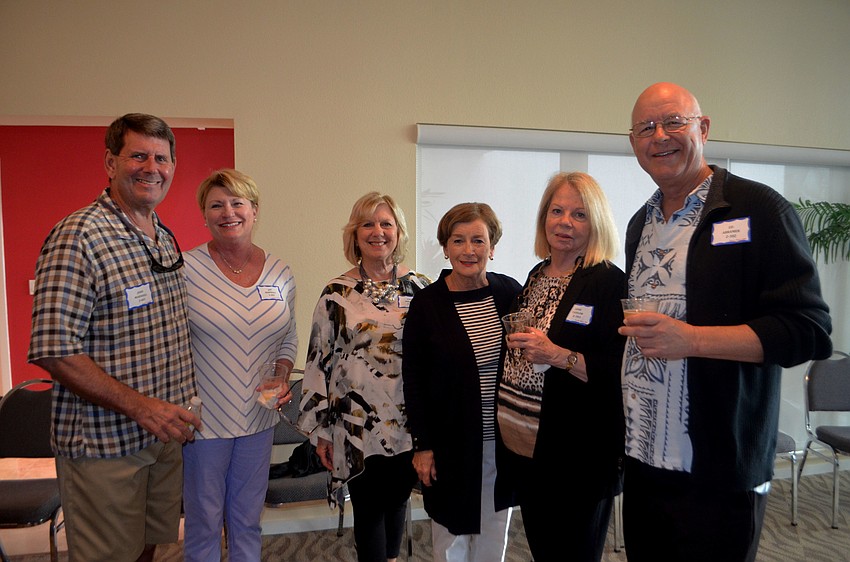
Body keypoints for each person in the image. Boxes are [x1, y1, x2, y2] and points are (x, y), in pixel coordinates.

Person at [620, 82, 833, 562]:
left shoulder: (758, 210)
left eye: (674, 121)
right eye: (645, 128)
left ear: (704, 128)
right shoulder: (641, 223)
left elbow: (808, 330)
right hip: (645, 457)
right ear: (633, 143)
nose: (660, 136)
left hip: (718, 469)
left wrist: (691, 339)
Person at [27, 113, 199, 562]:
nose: (151, 167)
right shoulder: (79, 235)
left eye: (161, 158)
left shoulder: (162, 237)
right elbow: (54, 349)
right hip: (106, 445)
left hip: (162, 437)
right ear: (110, 162)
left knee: (148, 548)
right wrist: (142, 407)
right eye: (138, 155)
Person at [497, 172, 626, 562]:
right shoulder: (537, 275)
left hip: (577, 454)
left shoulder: (608, 283)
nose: (565, 222)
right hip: (528, 447)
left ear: (597, 222)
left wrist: (557, 355)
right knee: (544, 549)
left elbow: (620, 372)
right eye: (557, 211)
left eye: (579, 214)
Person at [296, 192, 431, 562]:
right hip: (355, 424)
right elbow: (317, 361)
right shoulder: (336, 294)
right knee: (369, 507)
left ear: (399, 233)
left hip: (408, 421)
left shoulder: (422, 289)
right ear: (354, 235)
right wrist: (320, 429)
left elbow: (436, 357)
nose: (377, 232)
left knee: (398, 499)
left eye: (386, 223)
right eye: (367, 224)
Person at [181, 169, 298, 561]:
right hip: (204, 423)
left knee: (248, 521)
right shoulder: (185, 269)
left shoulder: (280, 271)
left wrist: (282, 372)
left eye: (237, 203)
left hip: (258, 420)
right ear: (204, 214)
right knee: (204, 524)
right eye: (216, 204)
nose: (227, 212)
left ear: (254, 210)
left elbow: (289, 336)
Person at [402, 203, 521, 562]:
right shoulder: (427, 304)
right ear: (445, 247)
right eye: (458, 240)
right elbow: (414, 380)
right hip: (451, 445)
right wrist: (423, 446)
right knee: (450, 540)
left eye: (478, 240)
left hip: (501, 443)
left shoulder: (509, 293)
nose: (468, 250)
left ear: (492, 247)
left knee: (493, 536)